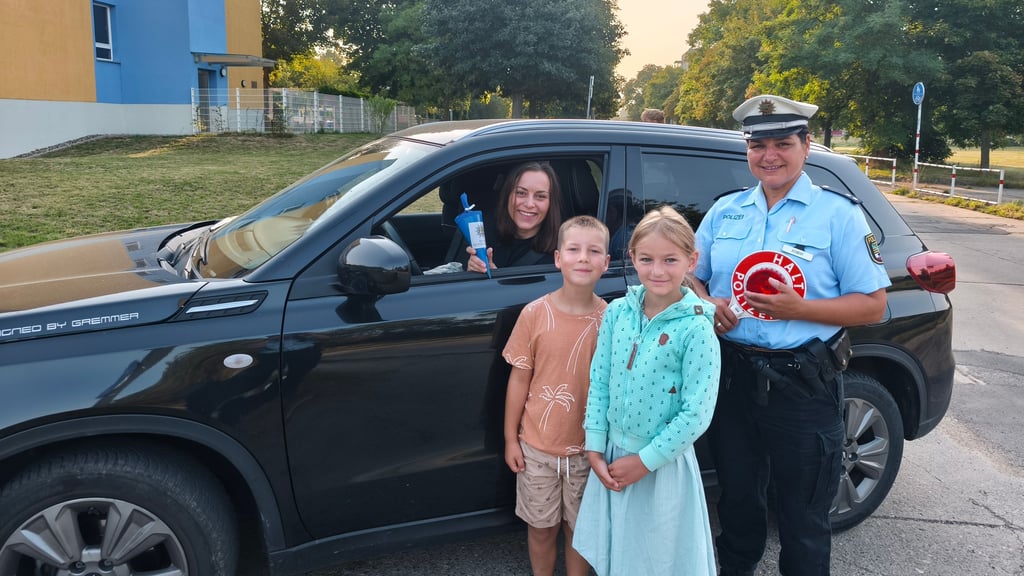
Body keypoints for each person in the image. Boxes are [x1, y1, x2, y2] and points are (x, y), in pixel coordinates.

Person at [692, 95, 891, 576]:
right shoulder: (725, 212)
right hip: (733, 379)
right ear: (747, 150)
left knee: (803, 517)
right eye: (758, 145)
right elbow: (689, 274)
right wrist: (706, 303)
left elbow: (873, 304)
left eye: (783, 143)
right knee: (737, 503)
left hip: (803, 385)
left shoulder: (838, 215)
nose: (770, 155)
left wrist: (800, 309)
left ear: (806, 146)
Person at [573, 206, 721, 576]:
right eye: (647, 259)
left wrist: (645, 461)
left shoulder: (698, 329)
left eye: (670, 260)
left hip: (660, 465)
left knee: (655, 559)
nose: (657, 271)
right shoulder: (617, 313)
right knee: (616, 552)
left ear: (692, 260)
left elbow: (696, 413)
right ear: (632, 257)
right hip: (611, 455)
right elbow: (601, 379)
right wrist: (594, 444)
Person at [502, 215, 611, 576]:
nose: (583, 258)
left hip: (588, 453)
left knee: (581, 532)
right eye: (574, 249)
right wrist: (510, 439)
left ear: (606, 262)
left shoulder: (610, 319)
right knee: (541, 528)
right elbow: (519, 379)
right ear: (557, 258)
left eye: (593, 251)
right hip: (536, 451)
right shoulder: (534, 314)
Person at [467, 161, 563, 273]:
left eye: (540, 196)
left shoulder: (563, 255)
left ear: (551, 203)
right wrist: (473, 271)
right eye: (521, 193)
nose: (529, 204)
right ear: (507, 195)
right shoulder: (482, 237)